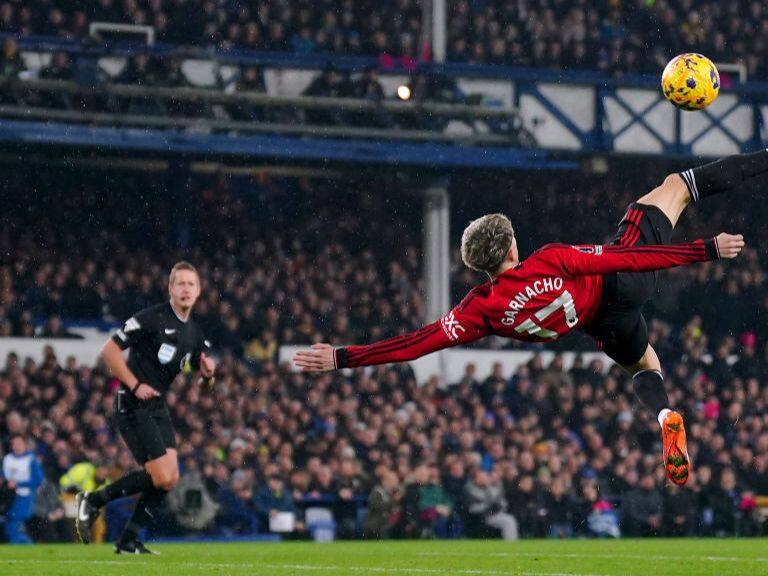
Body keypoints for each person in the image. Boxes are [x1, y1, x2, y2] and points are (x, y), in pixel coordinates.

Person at [295, 149, 768, 486]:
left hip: (602, 324)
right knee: (676, 187)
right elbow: (625, 261)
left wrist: (342, 358)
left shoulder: (480, 309)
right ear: (512, 246)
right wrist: (704, 249)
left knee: (644, 364)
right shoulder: (549, 259)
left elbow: (417, 343)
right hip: (622, 283)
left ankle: (665, 413)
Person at [74, 261, 215, 554]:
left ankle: (128, 541)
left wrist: (208, 377)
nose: (186, 289)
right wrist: (135, 384)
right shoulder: (151, 318)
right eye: (181, 284)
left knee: (169, 479)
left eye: (191, 284)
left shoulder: (195, 334)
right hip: (133, 403)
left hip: (156, 405)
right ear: (171, 289)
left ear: (199, 291)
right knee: (162, 477)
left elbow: (201, 385)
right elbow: (109, 351)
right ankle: (93, 500)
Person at [1, 435, 44, 544]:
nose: (16, 446)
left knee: (14, 522)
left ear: (25, 444)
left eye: (19, 443)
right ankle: (24, 545)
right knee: (9, 524)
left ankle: (27, 545)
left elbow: (38, 480)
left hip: (25, 496)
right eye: (14, 443)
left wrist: (18, 484)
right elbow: (3, 476)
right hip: (9, 496)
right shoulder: (8, 459)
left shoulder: (31, 459)